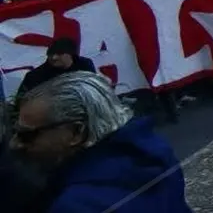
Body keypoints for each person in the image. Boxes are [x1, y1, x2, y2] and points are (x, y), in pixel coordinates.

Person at [10, 71, 192, 212]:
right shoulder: (155, 151)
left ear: (76, 132)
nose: (15, 143)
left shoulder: (77, 205)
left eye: (27, 135)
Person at [15, 38, 97, 104]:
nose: (54, 57)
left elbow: (94, 90)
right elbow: (20, 101)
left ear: (70, 54)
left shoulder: (85, 65)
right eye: (51, 54)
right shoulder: (35, 76)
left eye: (59, 54)